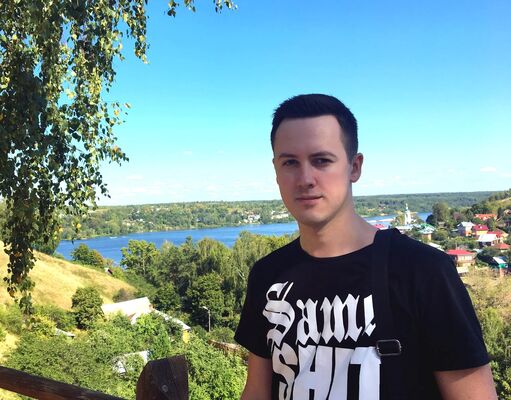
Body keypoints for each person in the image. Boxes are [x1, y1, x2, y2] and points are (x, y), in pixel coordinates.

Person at [234, 94, 497, 400]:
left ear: (354, 167)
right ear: (276, 171)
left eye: (321, 160)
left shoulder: (422, 271)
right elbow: (257, 391)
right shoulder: (268, 275)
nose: (305, 179)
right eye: (290, 162)